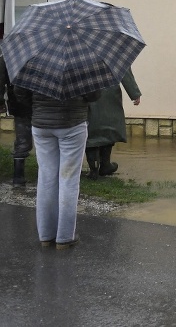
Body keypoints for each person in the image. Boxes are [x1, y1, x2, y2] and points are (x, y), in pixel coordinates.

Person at [14, 85, 101, 249]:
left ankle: (46, 236)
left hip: (41, 123)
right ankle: (65, 237)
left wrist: (37, 105)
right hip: (73, 123)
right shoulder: (80, 62)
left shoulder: (33, 60)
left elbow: (20, 92)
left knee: (46, 177)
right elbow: (94, 94)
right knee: (68, 179)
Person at [85, 68, 142, 179]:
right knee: (109, 127)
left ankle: (93, 169)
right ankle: (105, 165)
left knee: (91, 131)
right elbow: (124, 69)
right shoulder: (112, 51)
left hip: (88, 92)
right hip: (109, 92)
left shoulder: (81, 52)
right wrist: (134, 93)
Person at [0, 53, 33, 187]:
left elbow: (1, 80)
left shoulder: (8, 56)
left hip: (19, 103)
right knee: (48, 141)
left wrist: (1, 101)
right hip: (42, 103)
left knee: (22, 139)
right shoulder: (41, 54)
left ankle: (18, 176)